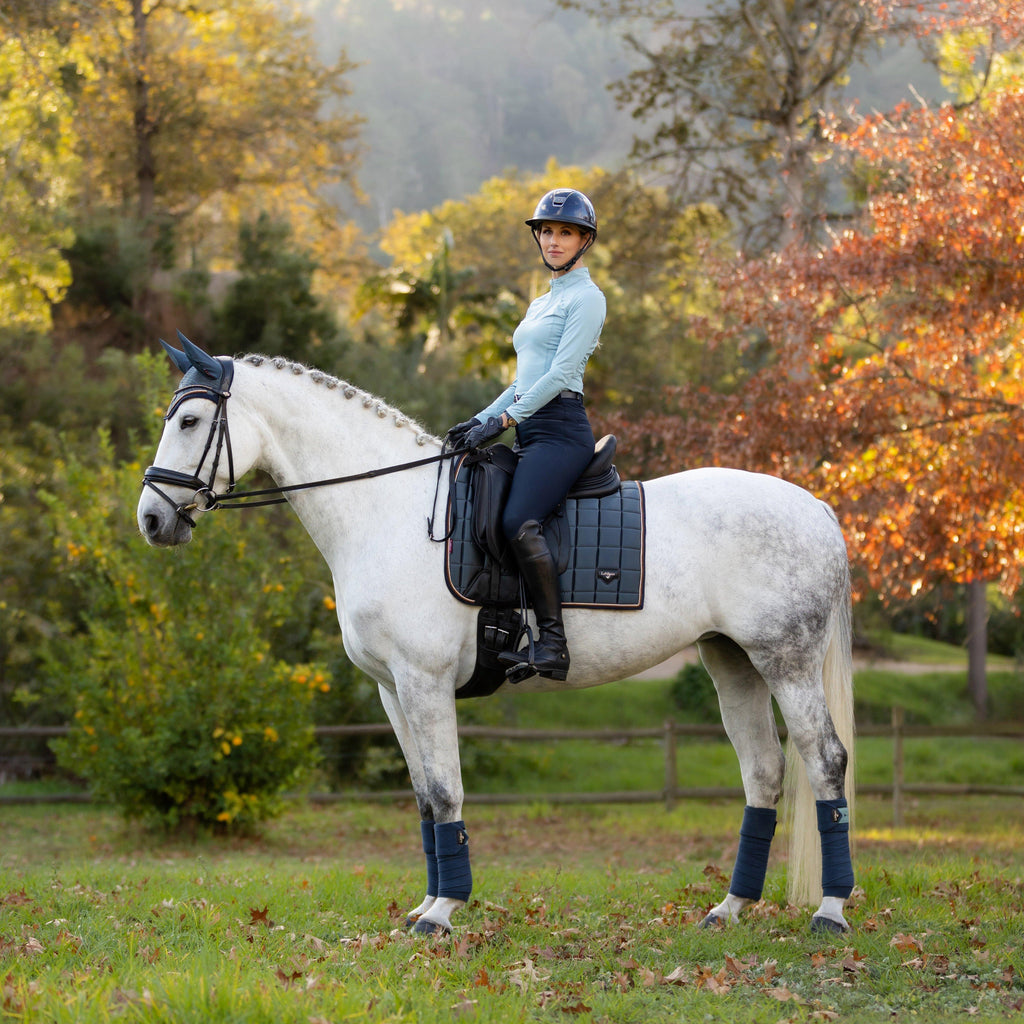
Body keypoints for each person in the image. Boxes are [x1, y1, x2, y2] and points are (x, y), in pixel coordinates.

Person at [446, 188, 606, 681]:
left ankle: (553, 644)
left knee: (518, 520)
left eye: (566, 233)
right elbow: (521, 381)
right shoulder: (542, 303)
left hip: (560, 430)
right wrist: (480, 420)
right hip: (529, 426)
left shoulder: (588, 298)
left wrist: (505, 421)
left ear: (584, 241)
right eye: (548, 232)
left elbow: (559, 375)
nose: (554, 241)